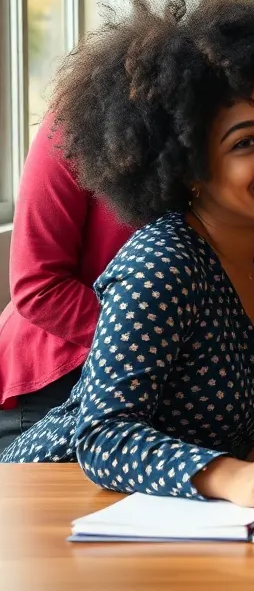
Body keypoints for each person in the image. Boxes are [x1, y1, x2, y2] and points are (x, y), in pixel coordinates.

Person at [0, 0, 254, 515]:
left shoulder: (250, 255)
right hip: (52, 509)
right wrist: (231, 476)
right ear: (188, 170)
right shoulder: (162, 263)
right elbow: (103, 438)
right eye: (245, 142)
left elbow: (228, 419)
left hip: (158, 521)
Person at [0, 119, 137, 453]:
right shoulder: (73, 127)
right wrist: (156, 344)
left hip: (156, 373)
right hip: (56, 378)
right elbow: (39, 286)